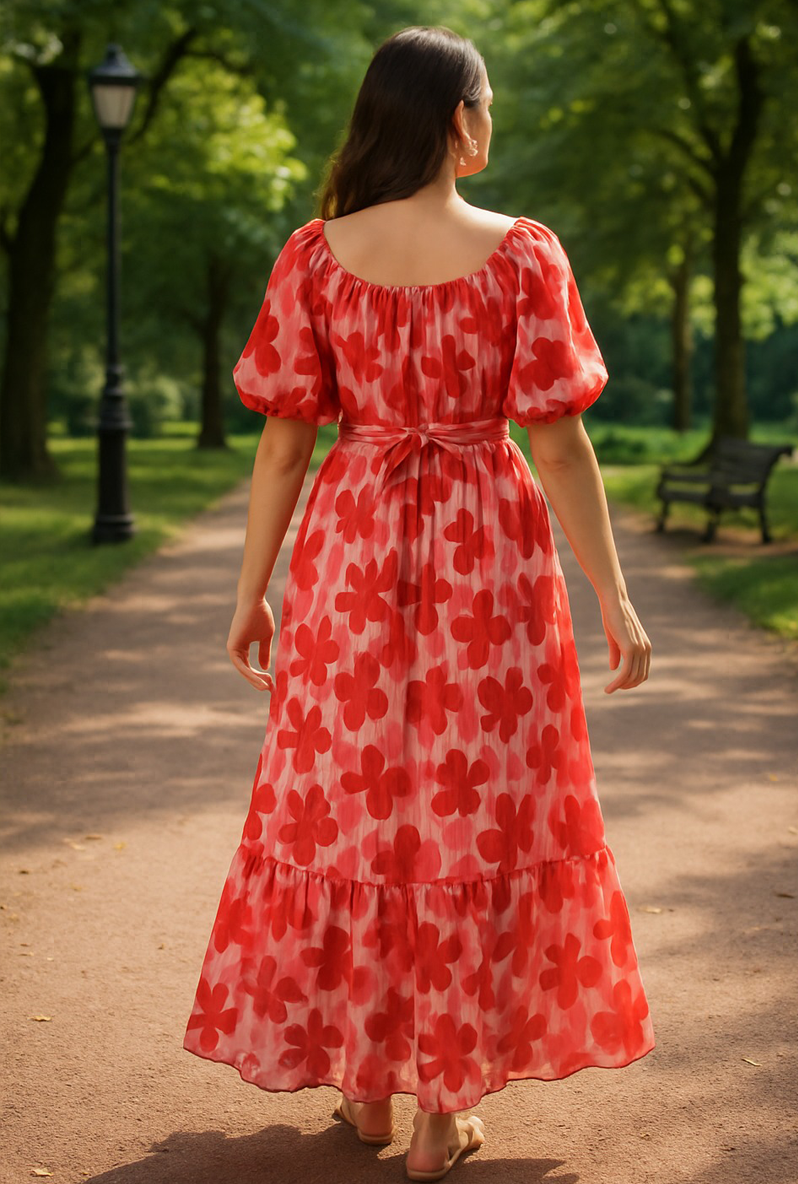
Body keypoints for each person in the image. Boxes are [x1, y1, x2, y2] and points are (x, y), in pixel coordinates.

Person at [183, 23, 655, 1182]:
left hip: (349, 545)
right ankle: (445, 1106)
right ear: (460, 120)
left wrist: (251, 593)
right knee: (473, 802)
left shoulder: (313, 255)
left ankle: (366, 1082)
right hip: (487, 549)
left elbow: (285, 450)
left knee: (353, 800)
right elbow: (559, 447)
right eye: (483, 105)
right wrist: (615, 596)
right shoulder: (523, 255)